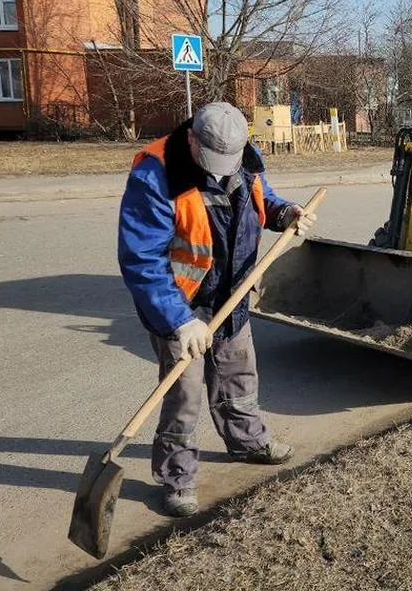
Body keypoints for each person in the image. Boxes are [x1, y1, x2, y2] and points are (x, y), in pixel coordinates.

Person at [117, 101, 316, 518]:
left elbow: (262, 200)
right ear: (191, 137)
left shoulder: (245, 159)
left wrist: (285, 213)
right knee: (184, 394)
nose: (222, 171)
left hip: (232, 295)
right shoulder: (156, 174)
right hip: (179, 305)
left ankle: (247, 441)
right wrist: (180, 320)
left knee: (238, 374)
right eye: (212, 160)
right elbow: (141, 260)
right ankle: (178, 477)